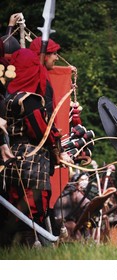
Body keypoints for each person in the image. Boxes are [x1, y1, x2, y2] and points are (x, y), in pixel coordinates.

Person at [0, 36, 73, 246]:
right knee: (34, 209)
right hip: (32, 160)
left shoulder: (7, 99)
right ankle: (32, 249)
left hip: (13, 159)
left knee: (18, 208)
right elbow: (42, 131)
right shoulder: (29, 100)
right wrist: (56, 146)